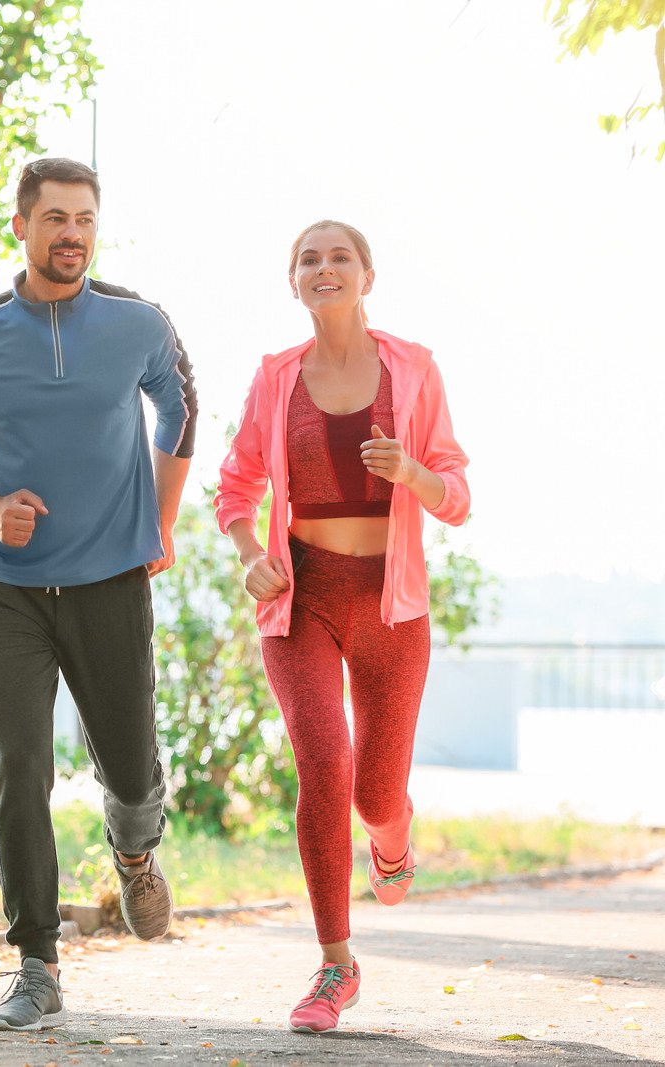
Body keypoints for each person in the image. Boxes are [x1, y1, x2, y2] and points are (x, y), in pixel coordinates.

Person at [0, 157, 198, 1032]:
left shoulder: (138, 322)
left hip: (111, 581)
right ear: (22, 227)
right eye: (56, 218)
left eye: (84, 220)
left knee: (131, 766)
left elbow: (181, 409)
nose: (72, 233)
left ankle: (135, 852)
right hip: (11, 591)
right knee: (19, 765)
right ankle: (37, 961)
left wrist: (162, 524)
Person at [214, 220, 471, 1034]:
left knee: (374, 790)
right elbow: (235, 487)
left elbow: (458, 495)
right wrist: (250, 551)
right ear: (294, 280)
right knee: (325, 762)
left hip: (392, 605)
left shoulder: (414, 369)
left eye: (340, 258)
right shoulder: (275, 377)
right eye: (309, 259)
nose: (325, 268)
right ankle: (335, 965)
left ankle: (392, 840)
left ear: (368, 275)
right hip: (302, 601)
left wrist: (415, 472)